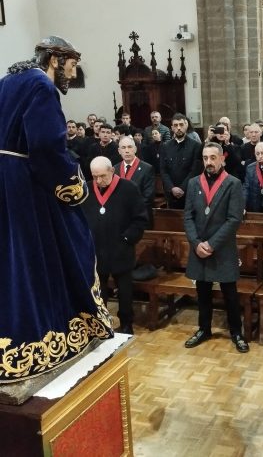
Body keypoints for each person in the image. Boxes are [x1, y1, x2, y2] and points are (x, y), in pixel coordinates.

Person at [0, 36, 113, 381]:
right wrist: (74, 186)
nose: (73, 73)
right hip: (26, 185)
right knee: (44, 253)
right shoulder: (41, 86)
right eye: (72, 64)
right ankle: (43, 334)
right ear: (54, 59)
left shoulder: (7, 81)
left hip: (4, 183)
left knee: (10, 259)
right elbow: (48, 147)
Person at [183, 142, 249, 353]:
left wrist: (211, 244)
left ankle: (236, 332)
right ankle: (204, 329)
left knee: (230, 293)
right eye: (205, 158)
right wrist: (196, 243)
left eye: (213, 158)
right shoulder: (194, 183)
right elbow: (188, 217)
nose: (209, 162)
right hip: (199, 247)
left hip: (222, 247)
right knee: (202, 292)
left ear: (222, 159)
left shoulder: (233, 183)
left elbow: (234, 219)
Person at [82, 157, 148, 335]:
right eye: (95, 176)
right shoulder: (87, 189)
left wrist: (127, 239)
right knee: (99, 290)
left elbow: (140, 219)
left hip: (121, 249)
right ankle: (101, 323)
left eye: (102, 176)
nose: (98, 181)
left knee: (125, 291)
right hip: (96, 250)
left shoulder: (128, 188)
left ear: (112, 171)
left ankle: (127, 323)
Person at [159, 113, 202, 209]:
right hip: (171, 194)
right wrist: (172, 188)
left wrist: (182, 188)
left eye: (181, 125)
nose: (178, 128)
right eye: (175, 125)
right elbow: (163, 170)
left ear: (186, 125)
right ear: (172, 128)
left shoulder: (195, 146)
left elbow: (195, 171)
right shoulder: (165, 146)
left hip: (189, 192)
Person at [114, 136, 155, 228]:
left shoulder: (147, 168)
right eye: (123, 148)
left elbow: (148, 197)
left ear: (135, 149)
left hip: (140, 217)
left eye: (130, 147)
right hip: (120, 218)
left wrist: (129, 209)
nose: (127, 150)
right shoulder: (115, 169)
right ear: (119, 151)